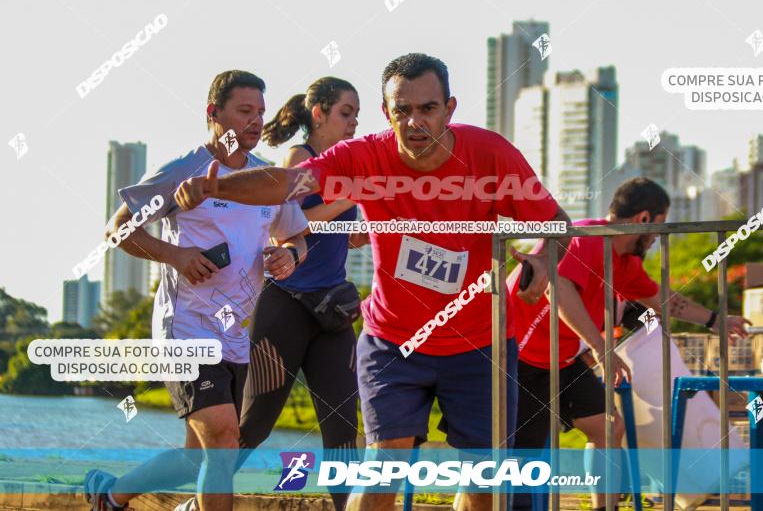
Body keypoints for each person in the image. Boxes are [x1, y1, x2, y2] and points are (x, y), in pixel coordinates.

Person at [174, 53, 572, 511]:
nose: (414, 121)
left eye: (428, 108)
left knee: (483, 483)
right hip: (393, 343)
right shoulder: (364, 156)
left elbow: (556, 222)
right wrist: (218, 187)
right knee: (385, 467)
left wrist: (542, 261)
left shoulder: (490, 154)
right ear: (386, 113)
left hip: (478, 343)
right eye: (402, 110)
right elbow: (290, 184)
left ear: (450, 108)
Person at [83, 70, 309, 511]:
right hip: (186, 327)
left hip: (237, 334)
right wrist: (177, 256)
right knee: (223, 441)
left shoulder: (264, 177)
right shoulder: (182, 171)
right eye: (244, 111)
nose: (255, 121)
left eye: (260, 112)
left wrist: (291, 256)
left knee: (198, 457)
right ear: (213, 114)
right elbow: (117, 231)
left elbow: (296, 236)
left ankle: (110, 494)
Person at [509, 178, 750, 511]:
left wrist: (715, 320)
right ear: (645, 219)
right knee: (516, 453)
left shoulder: (624, 263)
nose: (657, 239)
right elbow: (557, 289)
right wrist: (600, 348)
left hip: (559, 361)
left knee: (608, 428)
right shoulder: (586, 238)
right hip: (516, 357)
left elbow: (662, 300)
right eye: (659, 228)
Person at [236, 77, 365, 511]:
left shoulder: (346, 167)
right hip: (286, 307)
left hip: (331, 312)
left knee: (343, 429)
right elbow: (297, 223)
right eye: (346, 114)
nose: (353, 123)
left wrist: (357, 230)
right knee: (255, 424)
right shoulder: (299, 158)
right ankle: (200, 498)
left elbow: (336, 228)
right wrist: (347, 198)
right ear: (319, 114)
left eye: (356, 116)